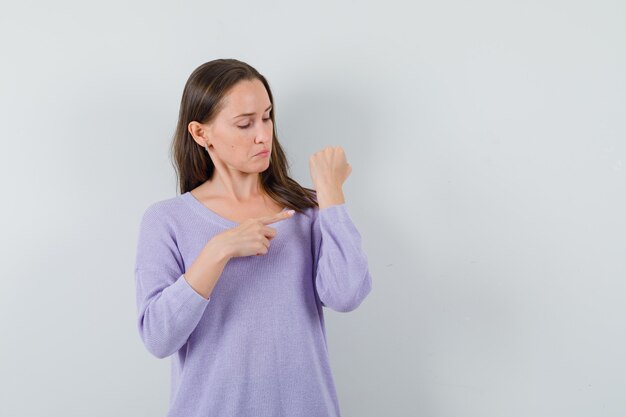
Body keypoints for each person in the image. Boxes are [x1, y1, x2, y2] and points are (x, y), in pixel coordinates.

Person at [133, 58, 373, 417]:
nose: (263, 134)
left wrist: (330, 195)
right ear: (201, 134)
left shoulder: (306, 210)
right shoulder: (167, 220)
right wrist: (218, 250)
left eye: (267, 116)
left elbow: (347, 294)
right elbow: (158, 337)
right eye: (244, 124)